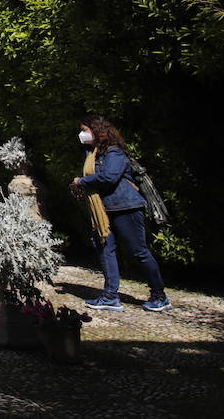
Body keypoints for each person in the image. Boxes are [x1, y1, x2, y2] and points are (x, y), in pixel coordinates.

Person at [70, 116, 172, 312]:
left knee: (138, 251)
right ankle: (110, 295)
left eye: (85, 130)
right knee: (105, 249)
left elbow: (109, 177)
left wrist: (81, 182)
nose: (82, 134)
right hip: (105, 210)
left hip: (126, 207)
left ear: (97, 131)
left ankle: (160, 296)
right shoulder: (95, 154)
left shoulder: (114, 152)